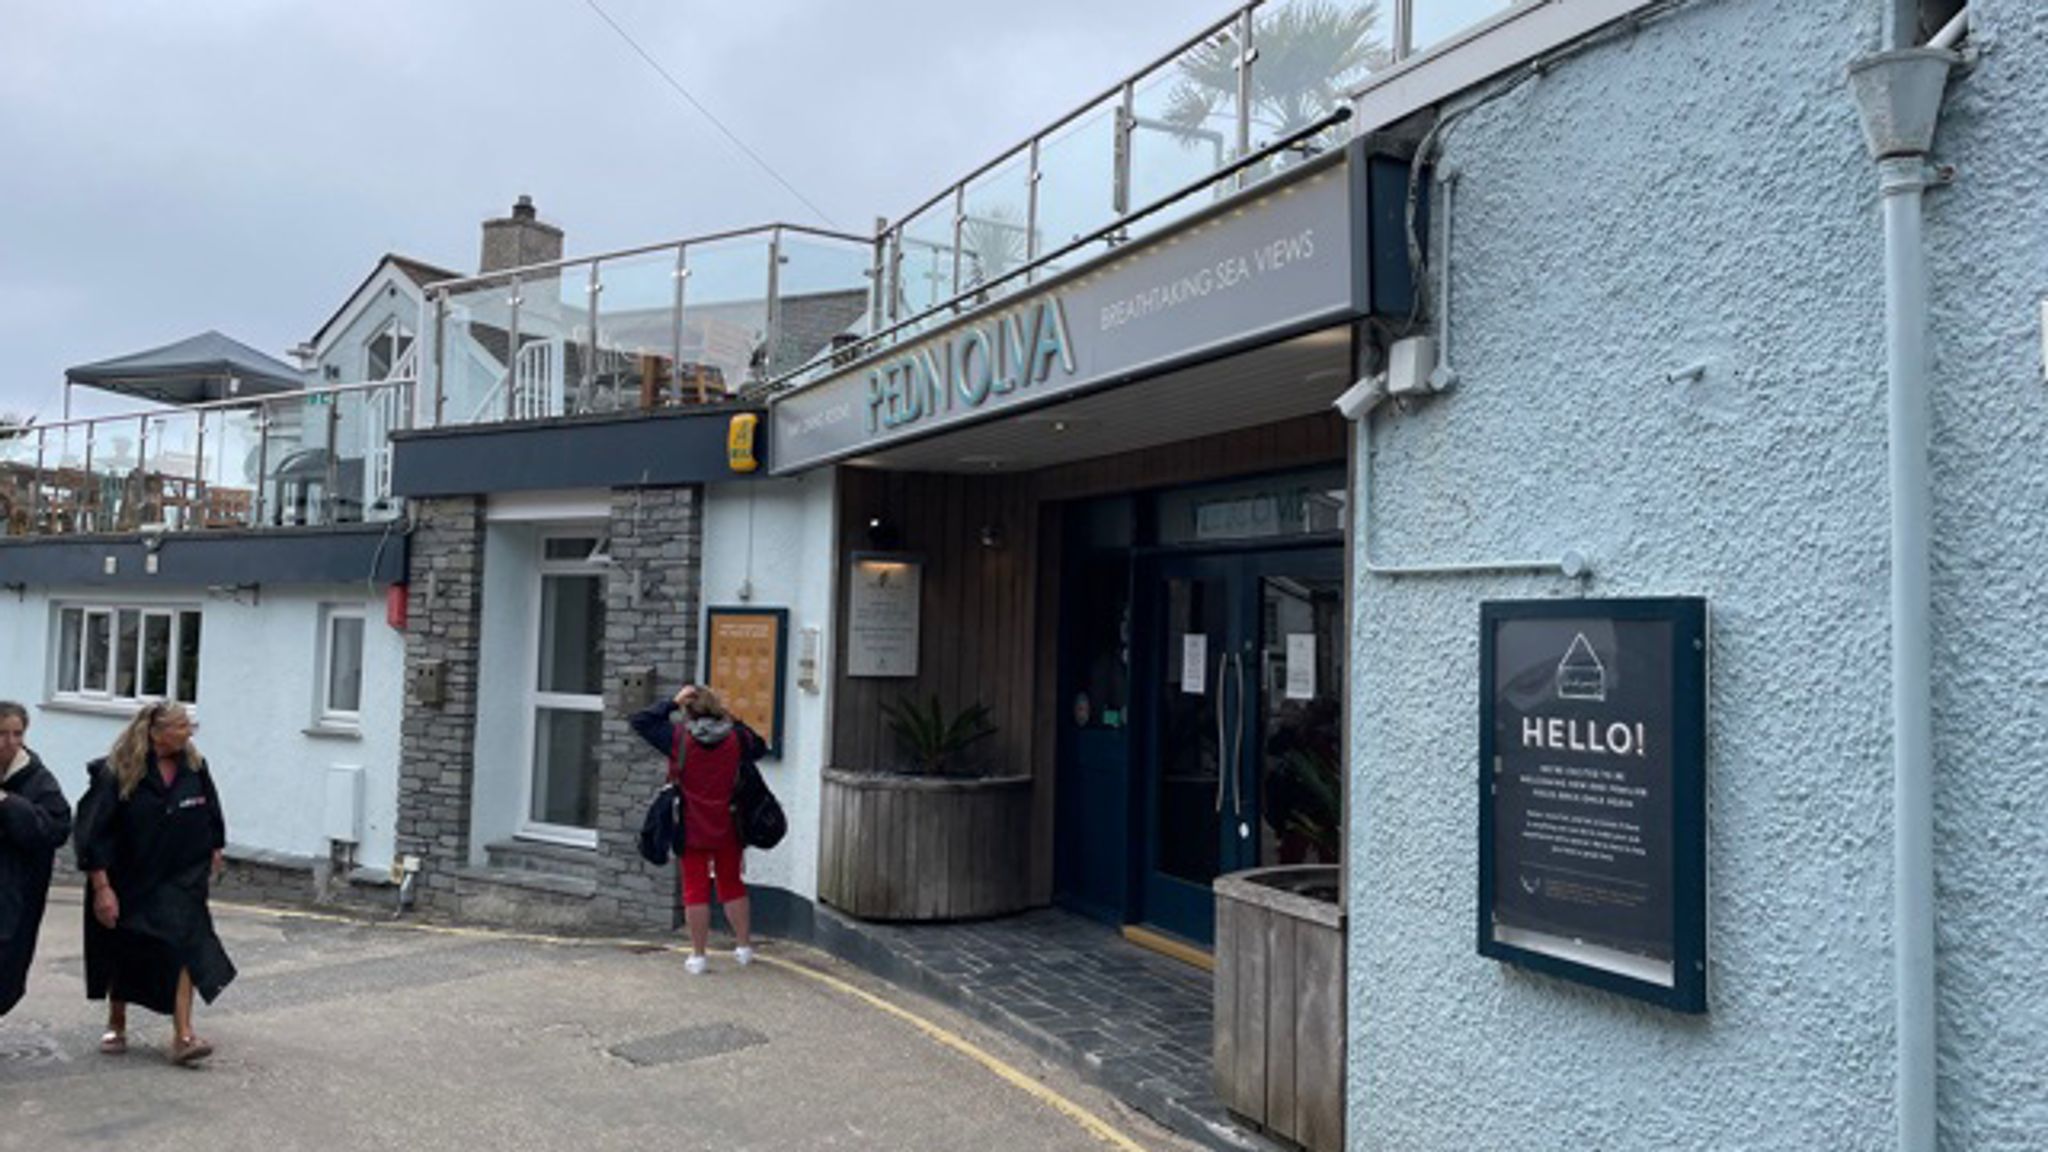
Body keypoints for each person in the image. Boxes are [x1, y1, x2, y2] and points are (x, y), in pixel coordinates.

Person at [75, 701, 235, 1064]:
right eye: (180, 726)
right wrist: (102, 887)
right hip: (129, 877)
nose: (189, 732)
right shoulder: (118, 771)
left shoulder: (195, 767)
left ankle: (183, 1035)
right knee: (123, 946)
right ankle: (117, 1020)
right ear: (156, 732)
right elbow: (93, 832)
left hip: (182, 877)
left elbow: (211, 809)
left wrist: (215, 846)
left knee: (186, 944)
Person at [630, 684, 764, 975]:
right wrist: (731, 718)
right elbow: (760, 746)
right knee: (732, 884)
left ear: (687, 711)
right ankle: (743, 948)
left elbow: (640, 721)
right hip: (729, 823)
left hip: (689, 825)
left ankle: (699, 956)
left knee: (695, 889)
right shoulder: (737, 739)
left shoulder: (677, 738)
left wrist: (670, 703)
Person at [0, 701, 72, 1017]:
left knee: (7, 966)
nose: (10, 742)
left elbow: (56, 827)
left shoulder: (38, 779)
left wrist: (8, 804)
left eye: (17, 733)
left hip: (15, 893)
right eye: (2, 733)